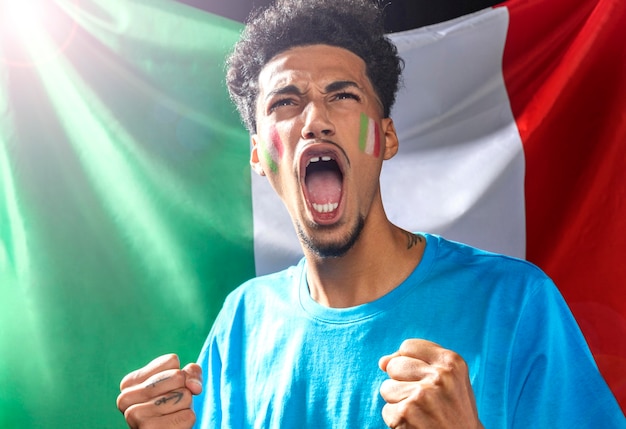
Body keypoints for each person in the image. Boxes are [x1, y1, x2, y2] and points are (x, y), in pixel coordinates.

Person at [116, 0, 625, 427]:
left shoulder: (514, 303)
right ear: (258, 155)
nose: (315, 119)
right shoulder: (241, 322)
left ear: (385, 137)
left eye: (342, 95)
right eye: (286, 103)